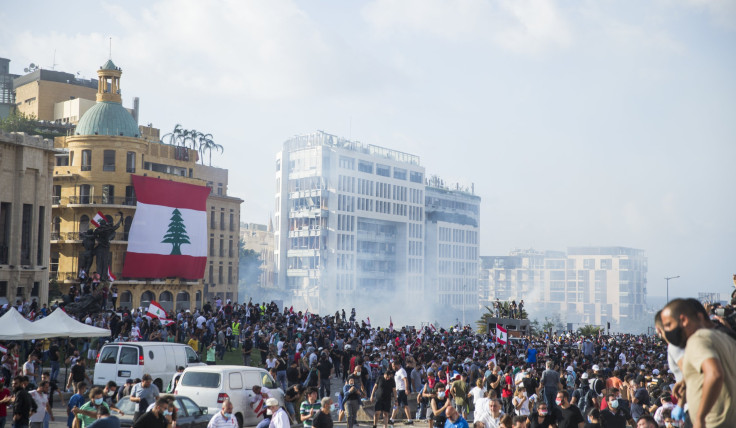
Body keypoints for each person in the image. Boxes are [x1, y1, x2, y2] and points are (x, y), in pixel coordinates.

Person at [660, 298, 736, 428]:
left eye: (669, 325)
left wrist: (700, 417)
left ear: (683, 320)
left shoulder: (697, 340)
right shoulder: (724, 337)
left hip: (712, 421)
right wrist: (687, 381)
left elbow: (715, 374)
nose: (667, 331)